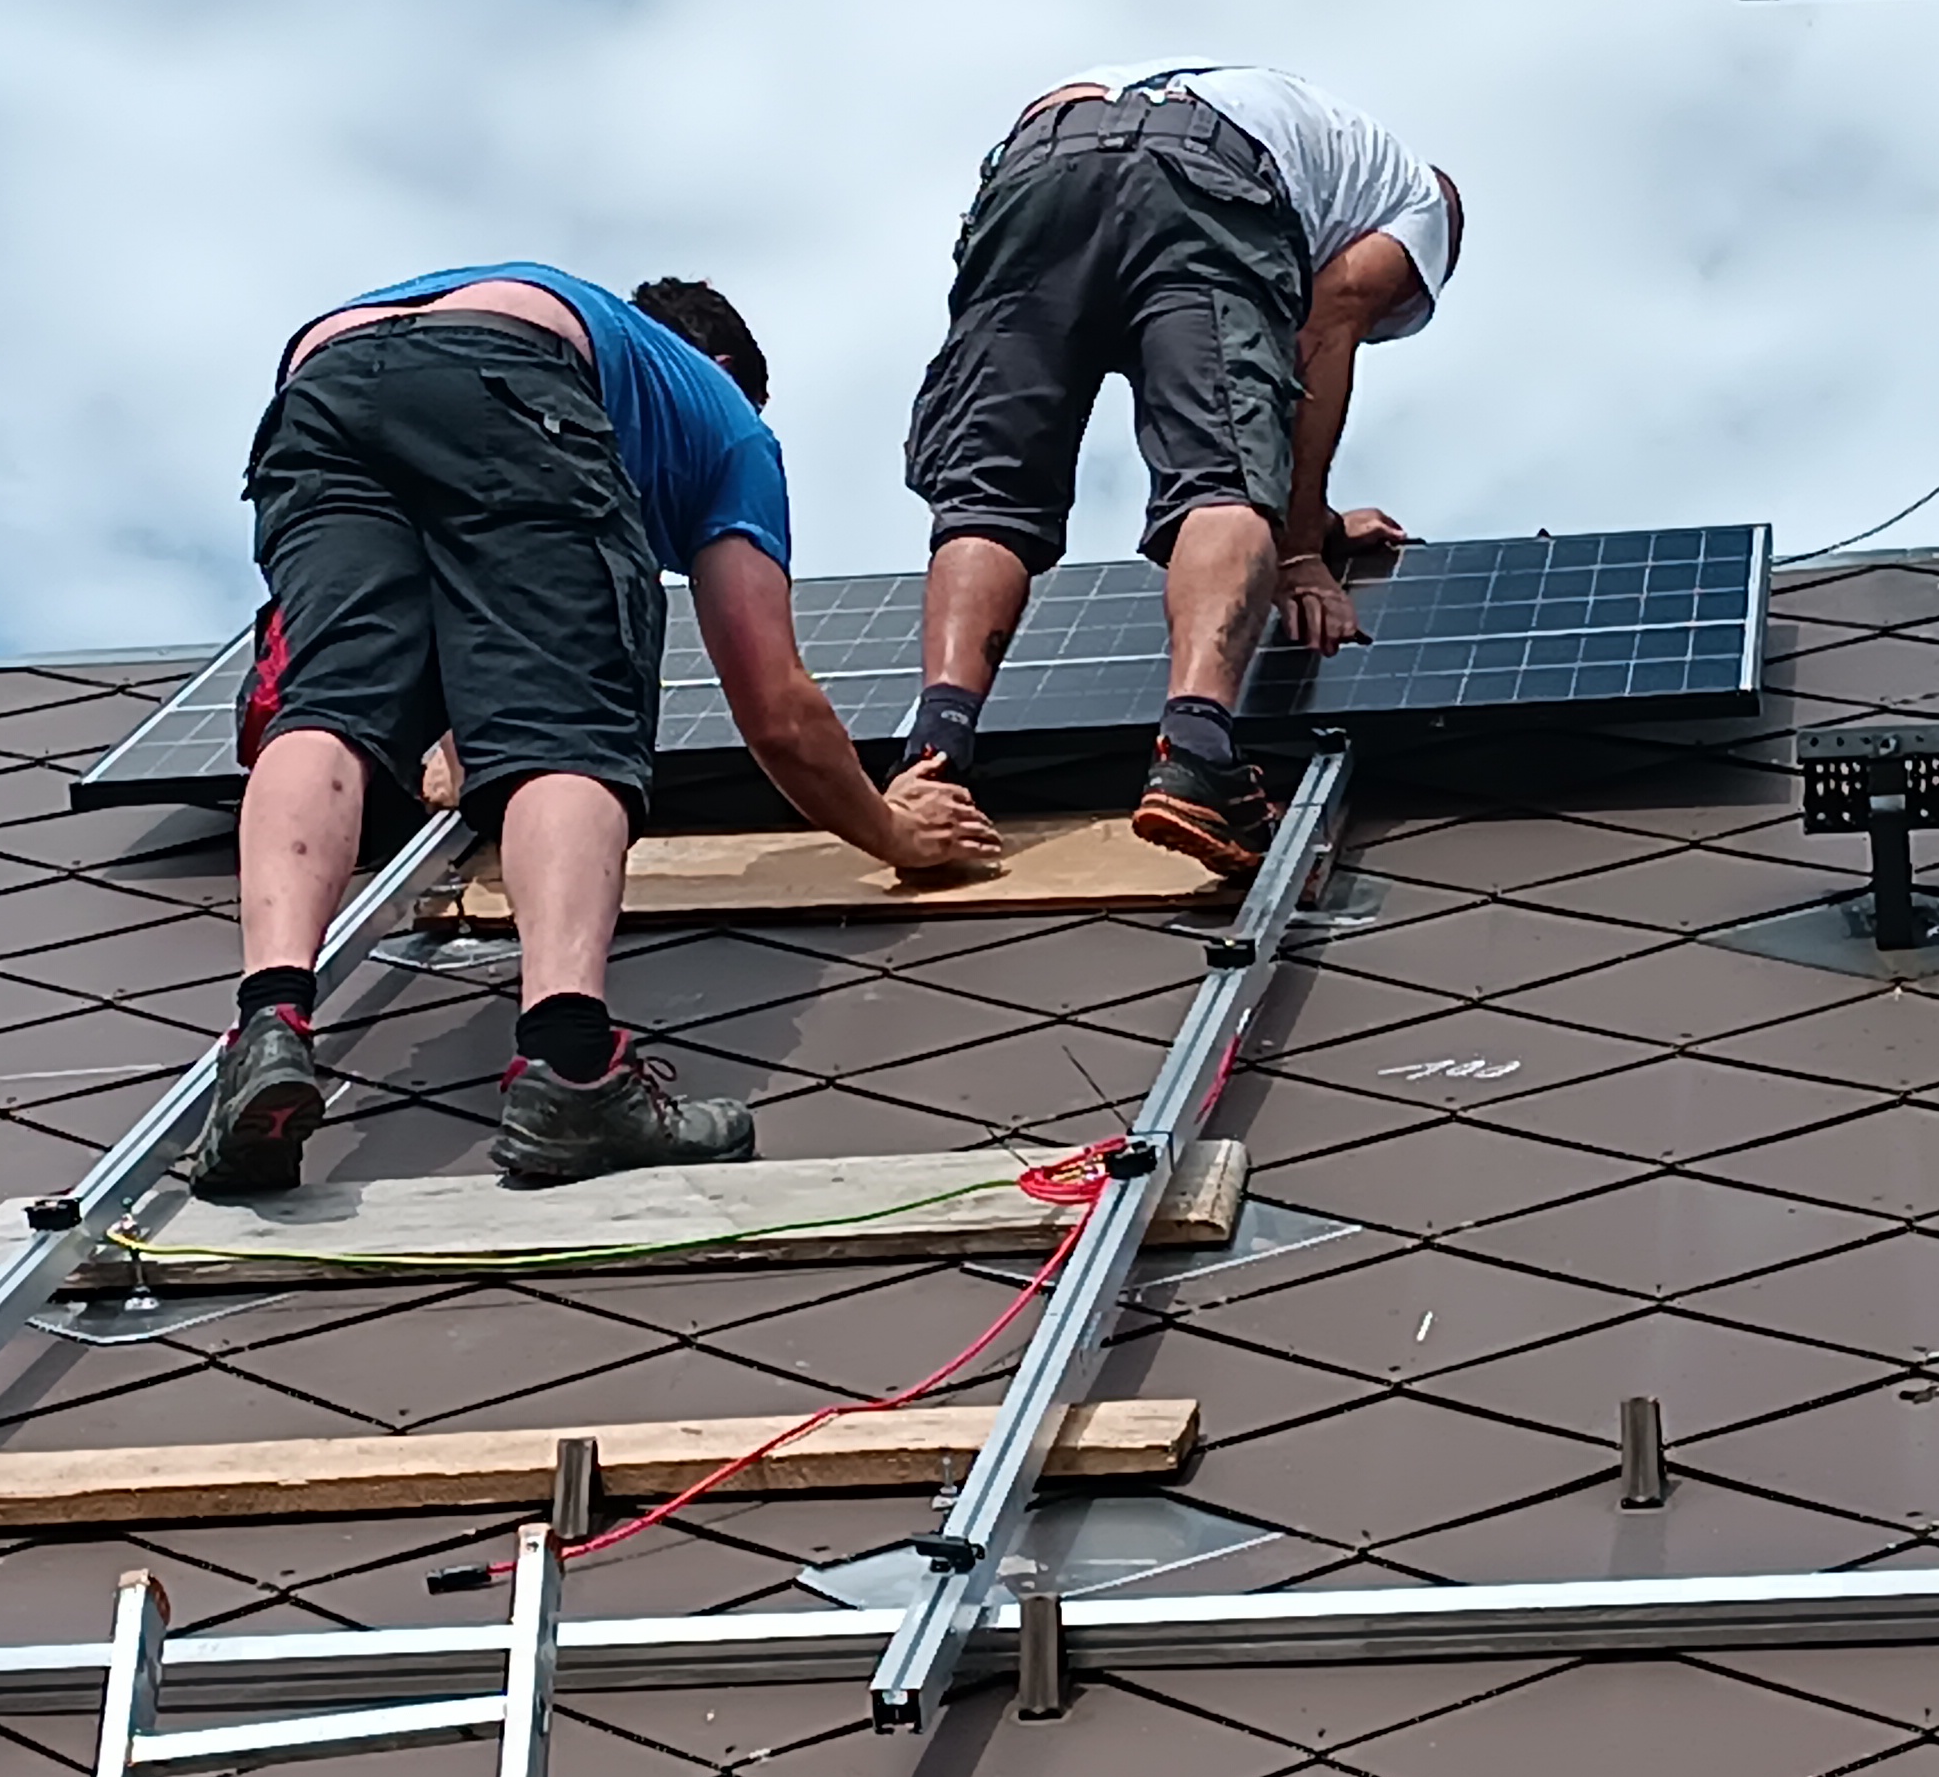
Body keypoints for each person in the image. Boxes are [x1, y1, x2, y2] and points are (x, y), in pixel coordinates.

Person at [200, 266, 999, 1198]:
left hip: (321, 379)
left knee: (329, 708)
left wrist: (467, 730)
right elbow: (772, 701)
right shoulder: (729, 420)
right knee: (566, 728)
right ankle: (573, 1070)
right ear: (724, 365)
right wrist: (895, 830)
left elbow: (461, 599)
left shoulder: (547, 319)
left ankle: (268, 1024)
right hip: (507, 379)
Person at [900, 63, 1458, 874]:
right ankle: (1197, 752)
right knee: (1226, 475)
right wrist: (1303, 552)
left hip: (1037, 164)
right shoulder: (1422, 211)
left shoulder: (1308, 131)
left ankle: (934, 751)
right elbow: (1322, 330)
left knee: (994, 496)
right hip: (1202, 184)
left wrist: (1327, 522)